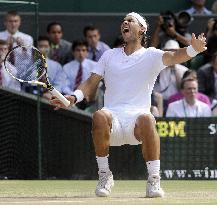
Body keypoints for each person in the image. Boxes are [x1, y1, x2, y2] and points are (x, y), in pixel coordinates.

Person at [50, 12, 207, 198]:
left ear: (142, 29)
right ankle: (104, 175)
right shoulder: (109, 55)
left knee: (148, 119)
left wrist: (193, 50)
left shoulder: (151, 55)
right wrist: (74, 97)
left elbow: (175, 57)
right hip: (112, 122)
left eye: (130, 20)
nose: (125, 22)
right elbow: (91, 82)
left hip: (137, 125)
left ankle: (154, 180)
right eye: (123, 21)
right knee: (99, 115)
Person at [153, 39, 188, 110]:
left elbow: (184, 90)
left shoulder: (184, 70)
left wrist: (175, 67)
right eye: (169, 51)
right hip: (159, 102)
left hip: (177, 102)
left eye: (174, 52)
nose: (172, 54)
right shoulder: (157, 68)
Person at [62, 40, 97, 110]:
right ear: (73, 52)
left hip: (88, 99)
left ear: (87, 52)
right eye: (78, 50)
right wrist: (74, 96)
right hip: (70, 97)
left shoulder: (94, 66)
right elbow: (64, 86)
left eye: (83, 50)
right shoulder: (66, 67)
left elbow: (95, 84)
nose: (81, 53)